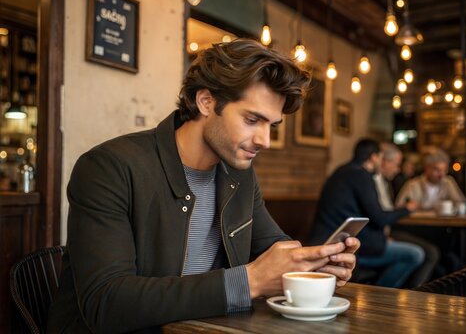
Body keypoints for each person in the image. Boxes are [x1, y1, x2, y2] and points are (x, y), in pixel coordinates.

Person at [47, 39, 360, 333]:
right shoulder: (109, 168)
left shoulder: (239, 174)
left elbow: (273, 249)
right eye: (252, 120)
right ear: (207, 101)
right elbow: (106, 303)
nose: (265, 140)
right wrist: (250, 281)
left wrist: (315, 266)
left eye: (271, 125)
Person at [309, 139, 424, 288]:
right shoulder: (362, 175)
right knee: (415, 254)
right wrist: (407, 209)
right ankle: (382, 293)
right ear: (374, 157)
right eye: (381, 158)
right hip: (347, 248)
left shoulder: (341, 171)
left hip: (327, 242)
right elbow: (379, 218)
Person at [374, 142, 440, 287]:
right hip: (383, 234)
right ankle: (410, 294)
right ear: (384, 161)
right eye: (397, 165)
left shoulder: (383, 181)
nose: (398, 170)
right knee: (429, 253)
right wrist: (407, 208)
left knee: (433, 251)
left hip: (388, 231)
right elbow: (380, 216)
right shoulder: (372, 181)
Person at [396, 147, 466, 210]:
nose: (441, 174)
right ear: (427, 168)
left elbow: (461, 203)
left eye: (444, 170)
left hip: (444, 223)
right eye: (437, 170)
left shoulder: (448, 182)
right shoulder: (412, 185)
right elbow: (398, 207)